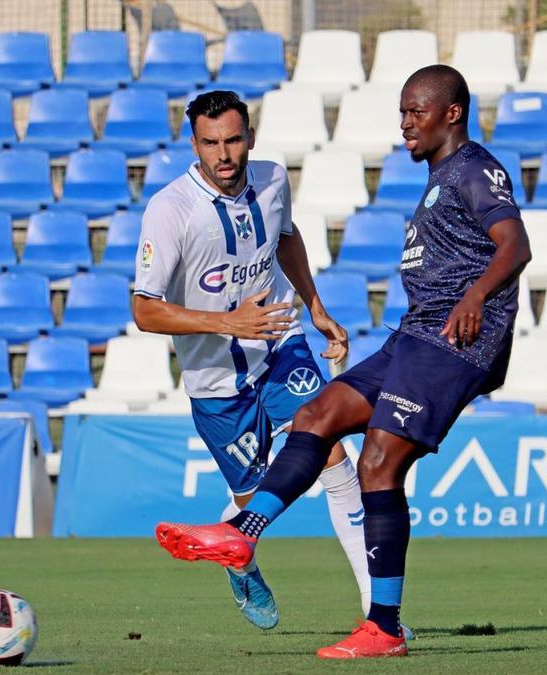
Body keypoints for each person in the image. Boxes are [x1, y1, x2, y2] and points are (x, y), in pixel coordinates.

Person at [155, 65, 531, 658]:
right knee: (319, 415)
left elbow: (516, 243)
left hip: (452, 342)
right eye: (403, 111)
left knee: (377, 465)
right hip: (414, 337)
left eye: (416, 111)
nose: (405, 123)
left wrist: (476, 299)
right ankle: (241, 534)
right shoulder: (441, 176)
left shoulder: (475, 169)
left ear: (451, 113)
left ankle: (382, 626)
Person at [133, 91, 376, 630]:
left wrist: (315, 307)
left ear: (250, 137)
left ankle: (378, 615)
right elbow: (145, 311)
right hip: (217, 382)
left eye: (233, 140)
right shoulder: (170, 211)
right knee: (254, 505)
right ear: (192, 144)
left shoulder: (271, 180)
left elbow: (286, 239)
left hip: (280, 346)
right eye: (210, 143)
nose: (224, 154)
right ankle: (238, 556)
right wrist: (226, 322)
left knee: (334, 457)